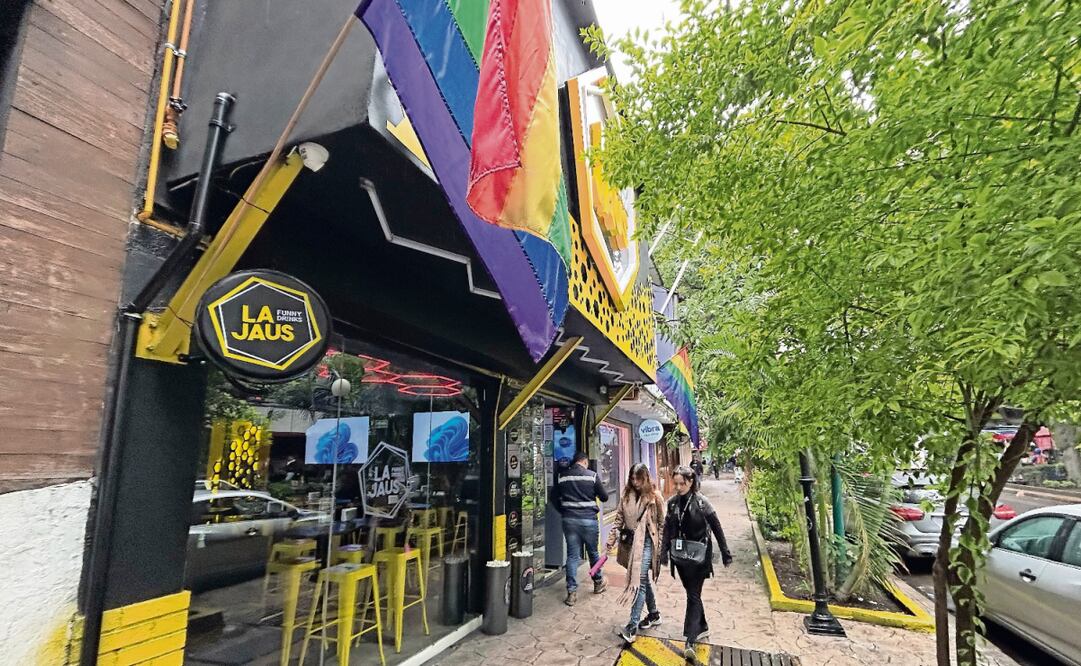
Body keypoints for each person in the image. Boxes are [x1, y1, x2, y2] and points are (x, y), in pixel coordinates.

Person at [660, 465, 733, 663]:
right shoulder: (673, 503)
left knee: (693, 595)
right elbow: (668, 528)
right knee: (693, 594)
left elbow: (717, 527)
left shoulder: (702, 503)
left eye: (681, 484)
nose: (677, 487)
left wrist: (725, 553)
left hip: (700, 557)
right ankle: (702, 626)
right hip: (681, 557)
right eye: (674, 483)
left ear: (690, 482)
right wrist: (663, 552)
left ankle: (690, 641)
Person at [604, 463, 666, 643]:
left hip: (647, 543)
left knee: (637, 581)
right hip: (630, 543)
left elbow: (662, 525)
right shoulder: (626, 495)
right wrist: (610, 540)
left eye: (638, 478)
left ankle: (632, 625)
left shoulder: (655, 497)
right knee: (643, 579)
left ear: (645, 477)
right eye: (632, 478)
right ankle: (654, 614)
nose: (635, 482)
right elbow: (618, 519)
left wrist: (659, 548)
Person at [551, 450, 609, 605]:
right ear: (584, 461)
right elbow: (604, 497)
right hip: (588, 520)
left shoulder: (563, 476)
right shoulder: (592, 475)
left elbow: (552, 497)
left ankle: (571, 592)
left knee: (572, 556)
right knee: (593, 553)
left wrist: (563, 510)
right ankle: (598, 583)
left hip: (569, 520)